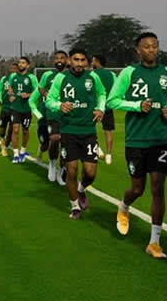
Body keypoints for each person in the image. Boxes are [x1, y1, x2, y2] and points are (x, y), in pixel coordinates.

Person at [107, 32, 167, 259]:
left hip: (160, 140)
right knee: (138, 189)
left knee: (158, 187)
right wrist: (137, 105)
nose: (151, 50)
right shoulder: (129, 73)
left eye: (154, 46)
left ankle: (154, 242)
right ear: (138, 50)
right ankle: (124, 205)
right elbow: (112, 100)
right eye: (146, 47)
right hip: (136, 141)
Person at [46, 48, 106, 220]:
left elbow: (102, 94)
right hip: (68, 131)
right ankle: (74, 206)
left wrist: (100, 109)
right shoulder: (61, 78)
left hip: (88, 131)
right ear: (69, 61)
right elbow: (50, 100)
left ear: (87, 62)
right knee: (71, 171)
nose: (79, 63)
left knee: (90, 173)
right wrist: (59, 105)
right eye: (76, 59)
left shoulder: (93, 77)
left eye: (82, 60)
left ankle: (81, 189)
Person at [34, 51, 68, 182]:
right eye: (56, 58)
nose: (59, 60)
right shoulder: (47, 75)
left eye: (62, 58)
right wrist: (47, 96)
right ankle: (52, 164)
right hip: (52, 113)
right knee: (54, 139)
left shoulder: (70, 76)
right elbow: (40, 88)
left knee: (66, 144)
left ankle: (62, 170)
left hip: (68, 115)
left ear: (67, 60)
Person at [7, 57, 38, 163]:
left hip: (27, 108)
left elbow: (37, 91)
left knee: (25, 130)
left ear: (27, 66)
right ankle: (16, 153)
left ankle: (23, 151)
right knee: (15, 129)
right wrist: (11, 94)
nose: (20, 64)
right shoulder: (13, 76)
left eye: (23, 63)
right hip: (15, 107)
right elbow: (10, 87)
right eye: (19, 62)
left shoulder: (32, 77)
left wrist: (28, 95)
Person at [92, 54, 117, 164]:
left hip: (96, 107)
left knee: (91, 129)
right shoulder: (112, 74)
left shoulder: (92, 74)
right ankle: (109, 156)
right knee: (108, 131)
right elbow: (116, 89)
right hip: (108, 107)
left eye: (93, 61)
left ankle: (97, 148)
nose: (92, 63)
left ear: (97, 61)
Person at [0, 62, 18, 156]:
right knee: (2, 130)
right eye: (12, 68)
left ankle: (4, 148)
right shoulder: (4, 79)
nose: (13, 70)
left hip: (15, 109)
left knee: (12, 130)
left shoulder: (19, 80)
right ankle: (2, 139)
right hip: (5, 108)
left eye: (15, 68)